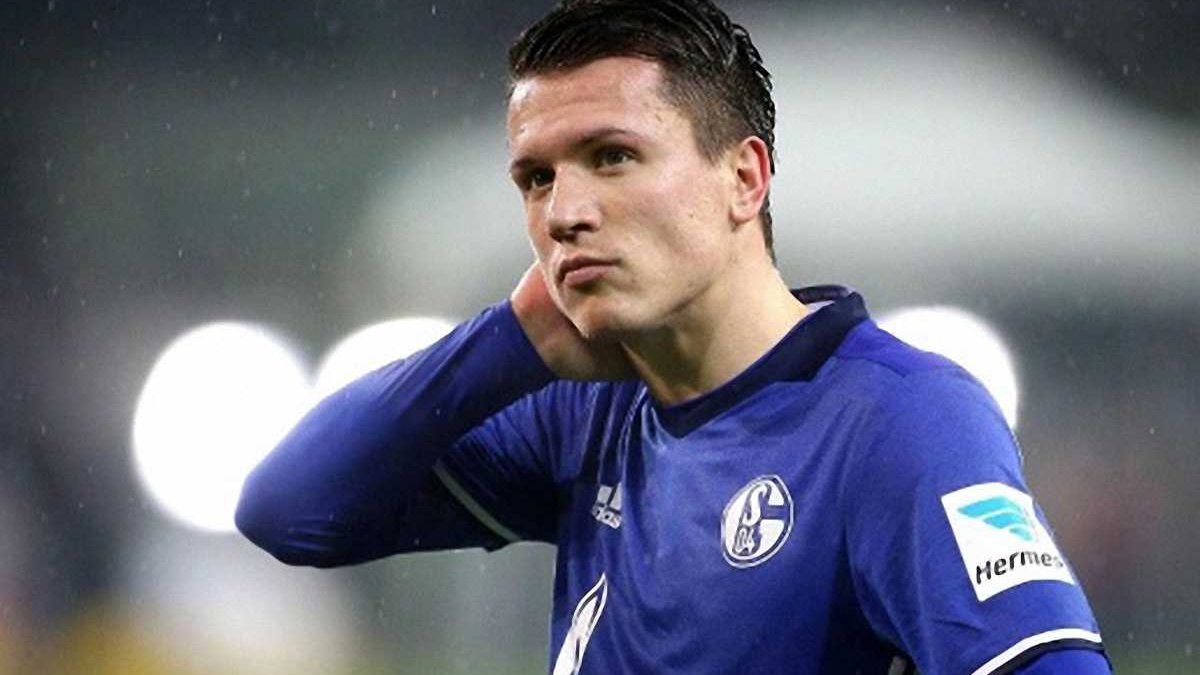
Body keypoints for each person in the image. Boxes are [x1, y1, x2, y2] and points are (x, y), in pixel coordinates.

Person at [235, 1, 1111, 673]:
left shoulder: (899, 420)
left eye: (611, 156)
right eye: (536, 178)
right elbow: (289, 510)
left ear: (745, 178)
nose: (564, 212)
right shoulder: (586, 412)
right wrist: (512, 336)